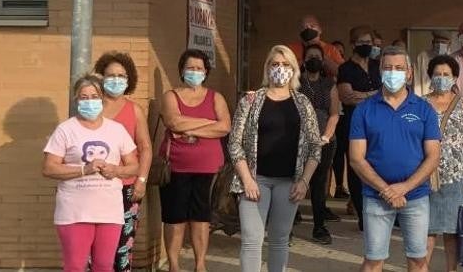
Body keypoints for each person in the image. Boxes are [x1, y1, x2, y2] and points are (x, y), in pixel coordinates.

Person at [229, 46, 323, 272]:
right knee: (252, 241)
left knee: (280, 240)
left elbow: (314, 147)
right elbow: (235, 143)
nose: (280, 69)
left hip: (289, 182)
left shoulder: (302, 104)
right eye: (275, 64)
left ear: (294, 69)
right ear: (267, 68)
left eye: (285, 65)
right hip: (255, 180)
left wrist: (304, 181)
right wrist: (247, 180)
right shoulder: (251, 101)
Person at [349, 45, 441, 272]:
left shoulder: (424, 109)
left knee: (419, 260)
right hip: (375, 196)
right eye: (388, 68)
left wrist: (404, 187)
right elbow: (356, 159)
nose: (393, 72)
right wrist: (386, 189)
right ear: (379, 71)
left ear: (409, 73)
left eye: (399, 68)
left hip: (416, 196)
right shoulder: (364, 110)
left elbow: (433, 156)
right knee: (373, 260)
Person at [43, 74, 140, 272]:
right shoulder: (65, 130)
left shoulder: (117, 130)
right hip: (74, 212)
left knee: (104, 266)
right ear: (76, 100)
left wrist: (116, 170)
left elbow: (134, 165)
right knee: (75, 266)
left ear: (102, 99)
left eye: (94, 96)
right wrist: (83, 170)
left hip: (109, 211)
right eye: (84, 97)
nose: (89, 102)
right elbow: (49, 167)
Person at [159, 49, 231, 272]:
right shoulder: (171, 96)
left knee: (201, 218)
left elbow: (224, 127)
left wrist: (191, 125)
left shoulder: (216, 97)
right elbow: (174, 123)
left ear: (206, 71)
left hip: (208, 169)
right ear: (182, 70)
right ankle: (174, 265)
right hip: (176, 167)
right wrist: (207, 123)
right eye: (190, 68)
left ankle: (200, 265)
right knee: (175, 218)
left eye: (199, 68)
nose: (195, 72)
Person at [94, 51, 153, 272]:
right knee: (95, 244)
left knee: (122, 244)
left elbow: (146, 148)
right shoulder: (91, 107)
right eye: (111, 75)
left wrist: (142, 180)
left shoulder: (134, 110)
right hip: (94, 186)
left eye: (121, 75)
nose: (116, 80)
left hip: (127, 186)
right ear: (100, 77)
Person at [424, 55, 463, 272]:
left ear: (455, 77)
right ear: (430, 76)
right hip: (425, 177)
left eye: (446, 74)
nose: (441, 78)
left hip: (458, 178)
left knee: (453, 232)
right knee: (427, 232)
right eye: (437, 74)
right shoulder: (420, 104)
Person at [338, 26, 384, 227]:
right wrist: (374, 94)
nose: (366, 46)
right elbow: (346, 97)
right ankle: (362, 215)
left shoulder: (378, 65)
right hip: (353, 122)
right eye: (362, 42)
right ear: (353, 44)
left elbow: (388, 92)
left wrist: (363, 95)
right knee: (356, 167)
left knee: (377, 165)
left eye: (369, 42)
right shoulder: (345, 68)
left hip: (379, 123)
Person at [298, 43, 341, 244]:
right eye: (310, 56)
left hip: (324, 140)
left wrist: (326, 136)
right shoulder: (296, 83)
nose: (313, 59)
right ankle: (289, 221)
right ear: (303, 61)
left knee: (318, 183)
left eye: (317, 56)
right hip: (298, 141)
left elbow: (334, 114)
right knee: (295, 179)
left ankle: (319, 226)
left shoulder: (329, 84)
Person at [414, 31, 454, 96]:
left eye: (443, 42)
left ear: (449, 44)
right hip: (425, 98)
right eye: (437, 42)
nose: (440, 45)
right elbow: (416, 81)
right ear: (432, 43)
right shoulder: (422, 57)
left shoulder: (453, 58)